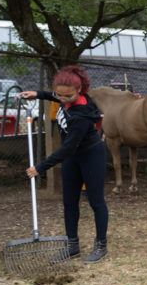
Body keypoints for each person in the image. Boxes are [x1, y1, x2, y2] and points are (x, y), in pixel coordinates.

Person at [18, 66, 109, 264]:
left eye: (68, 96)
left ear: (80, 91)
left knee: (96, 202)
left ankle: (101, 245)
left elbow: (67, 148)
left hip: (90, 155)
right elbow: (57, 95)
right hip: (72, 157)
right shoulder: (64, 96)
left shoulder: (82, 115)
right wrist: (38, 94)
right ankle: (72, 245)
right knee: (69, 202)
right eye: (59, 95)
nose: (62, 99)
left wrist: (40, 168)